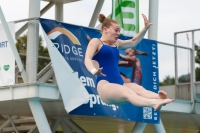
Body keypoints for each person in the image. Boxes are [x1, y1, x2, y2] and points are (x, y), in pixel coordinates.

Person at [84, 14, 174, 110]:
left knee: (138, 89)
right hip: (105, 86)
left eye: (119, 31)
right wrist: (94, 71)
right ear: (105, 29)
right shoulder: (96, 42)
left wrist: (145, 28)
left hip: (119, 84)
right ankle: (153, 103)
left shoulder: (117, 43)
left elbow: (133, 41)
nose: (118, 33)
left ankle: (159, 98)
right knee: (128, 92)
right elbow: (87, 58)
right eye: (116, 30)